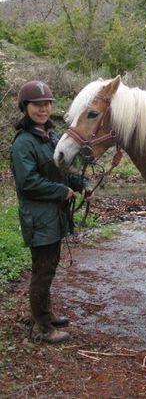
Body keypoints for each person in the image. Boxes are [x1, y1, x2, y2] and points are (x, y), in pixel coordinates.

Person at [10, 80, 83, 344]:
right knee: (42, 271)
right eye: (37, 105)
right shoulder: (23, 143)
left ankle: (46, 314)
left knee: (48, 267)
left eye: (47, 104)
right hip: (39, 218)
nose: (43, 109)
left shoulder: (51, 136)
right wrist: (61, 191)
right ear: (25, 107)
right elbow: (27, 183)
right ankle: (42, 326)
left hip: (53, 215)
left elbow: (60, 169)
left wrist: (80, 184)